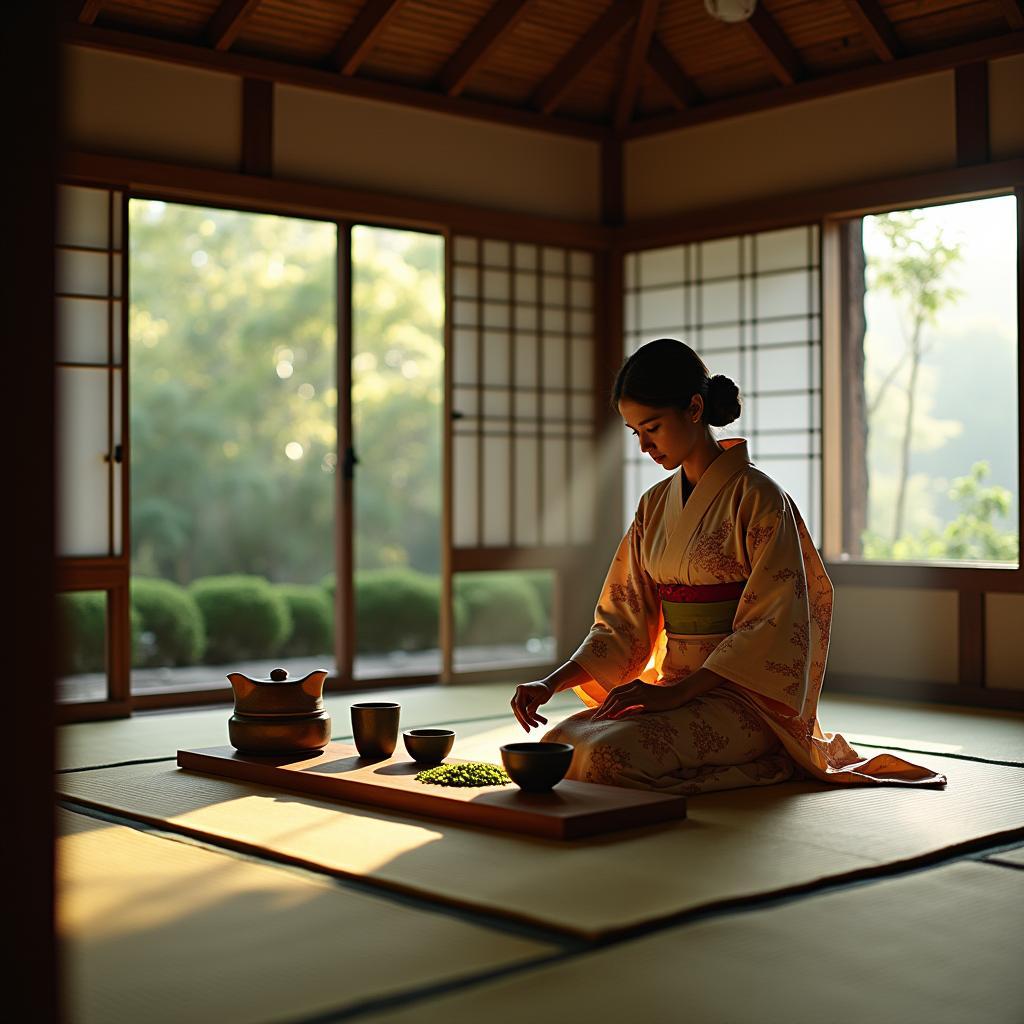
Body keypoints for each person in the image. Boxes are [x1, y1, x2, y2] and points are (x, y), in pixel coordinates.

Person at [510, 338, 947, 795]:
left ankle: (771, 756)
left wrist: (677, 694)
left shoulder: (759, 498)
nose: (644, 446)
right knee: (560, 742)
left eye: (653, 427)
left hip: (743, 697)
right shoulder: (653, 507)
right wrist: (549, 683)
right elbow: (622, 623)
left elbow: (773, 625)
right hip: (673, 689)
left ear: (694, 408)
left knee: (606, 756)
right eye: (634, 432)